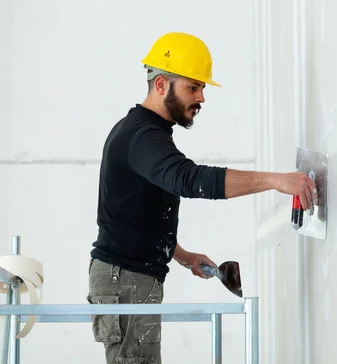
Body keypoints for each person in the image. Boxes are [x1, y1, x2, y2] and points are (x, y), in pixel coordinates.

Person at [86, 31, 316, 364]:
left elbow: (128, 211)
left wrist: (180, 254)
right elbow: (189, 179)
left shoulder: (143, 133)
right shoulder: (142, 137)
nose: (201, 98)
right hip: (126, 278)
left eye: (202, 88)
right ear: (161, 84)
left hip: (126, 276)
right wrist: (276, 181)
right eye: (193, 87)